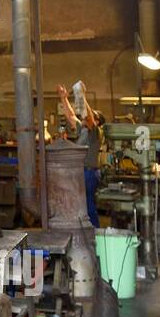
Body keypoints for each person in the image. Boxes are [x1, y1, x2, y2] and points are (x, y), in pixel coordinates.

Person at [59, 83, 103, 227]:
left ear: (97, 122)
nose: (85, 119)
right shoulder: (83, 129)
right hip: (80, 172)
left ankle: (93, 233)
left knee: (87, 206)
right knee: (78, 205)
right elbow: (71, 115)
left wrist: (81, 95)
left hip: (89, 173)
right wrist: (64, 98)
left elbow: (88, 117)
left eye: (91, 118)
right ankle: (81, 232)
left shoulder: (95, 133)